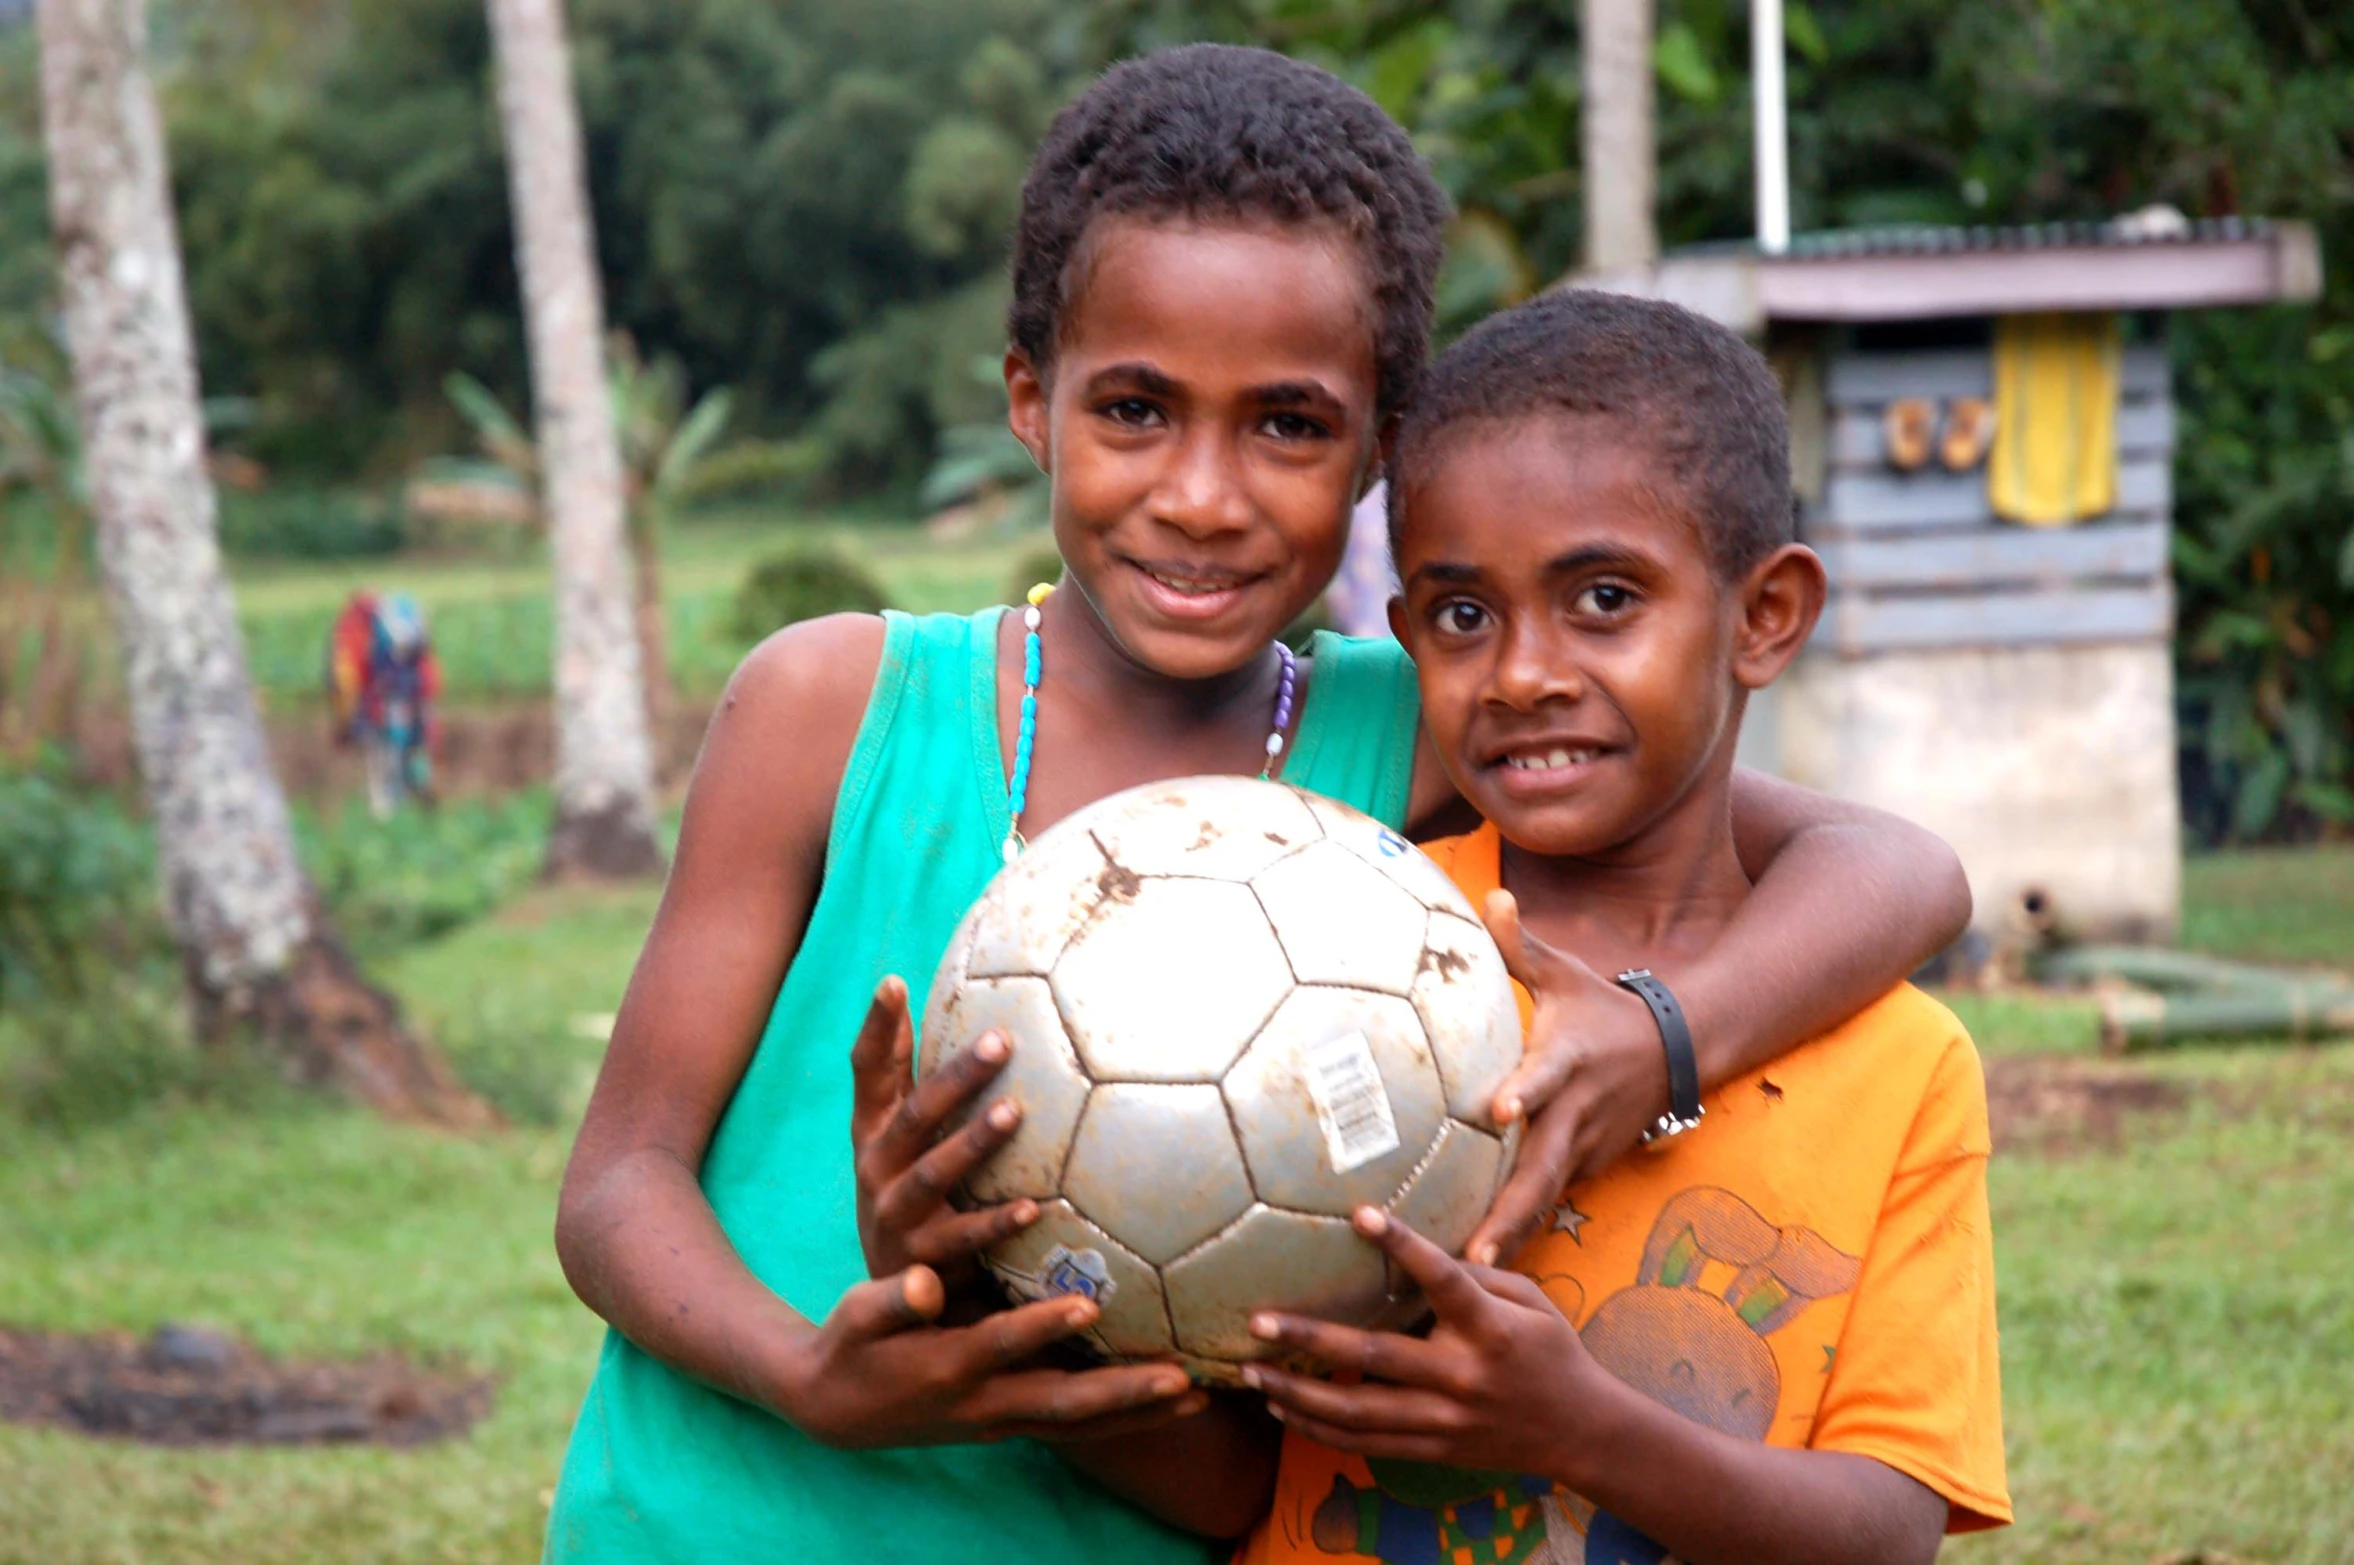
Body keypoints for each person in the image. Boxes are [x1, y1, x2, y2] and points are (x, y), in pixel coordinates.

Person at [544, 46, 1973, 1564]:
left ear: (1377, 452)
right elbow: (619, 1182)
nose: (1203, 495)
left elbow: (1898, 867)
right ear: (1031, 399)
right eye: (1135, 410)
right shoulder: (836, 710)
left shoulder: (1408, 728)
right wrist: (809, 1377)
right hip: (707, 1520)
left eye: (1287, 425)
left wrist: (1659, 1037)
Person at [1236, 289, 2010, 1564]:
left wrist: (1576, 1427)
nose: (1525, 670)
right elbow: (1221, 1459)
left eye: (1602, 598)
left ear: (1763, 616)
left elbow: (1884, 1530)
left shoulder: (1899, 1065)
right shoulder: (1342, 959)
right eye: (1463, 614)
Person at [326, 589, 439, 816]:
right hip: (393, 707)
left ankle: (391, 808)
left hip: (386, 709)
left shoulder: (360, 632)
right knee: (400, 758)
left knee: (390, 762)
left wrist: (346, 722)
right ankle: (402, 805)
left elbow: (346, 682)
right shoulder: (396, 625)